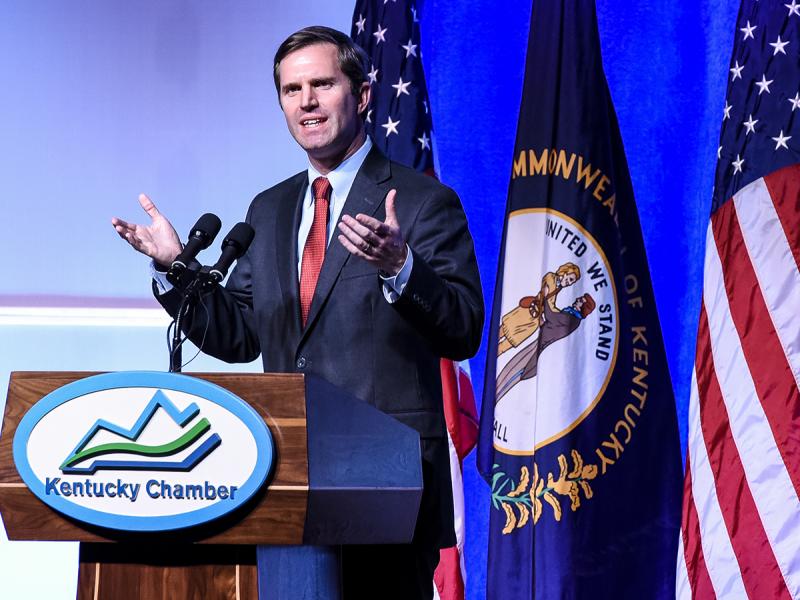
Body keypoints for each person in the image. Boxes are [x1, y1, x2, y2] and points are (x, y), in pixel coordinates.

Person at [112, 25, 483, 600]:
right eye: (291, 90)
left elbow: (463, 328)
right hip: (286, 483)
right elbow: (240, 333)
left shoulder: (421, 201)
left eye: (322, 84)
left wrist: (400, 265)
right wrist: (174, 268)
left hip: (390, 489)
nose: (306, 101)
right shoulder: (271, 208)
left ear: (362, 95)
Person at [496, 293, 595, 402]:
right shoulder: (571, 314)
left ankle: (496, 394)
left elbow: (552, 317)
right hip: (539, 344)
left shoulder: (573, 318)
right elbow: (554, 325)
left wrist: (545, 297)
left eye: (581, 300)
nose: (577, 299)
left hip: (539, 350)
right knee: (512, 367)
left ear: (583, 307)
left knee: (513, 372)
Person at [497, 262, 580, 356]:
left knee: (505, 345)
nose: (569, 283)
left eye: (572, 282)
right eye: (570, 279)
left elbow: (550, 304)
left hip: (534, 320)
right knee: (501, 332)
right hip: (529, 311)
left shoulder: (558, 287)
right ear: (565, 273)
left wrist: (559, 313)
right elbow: (547, 300)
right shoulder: (551, 278)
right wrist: (553, 313)